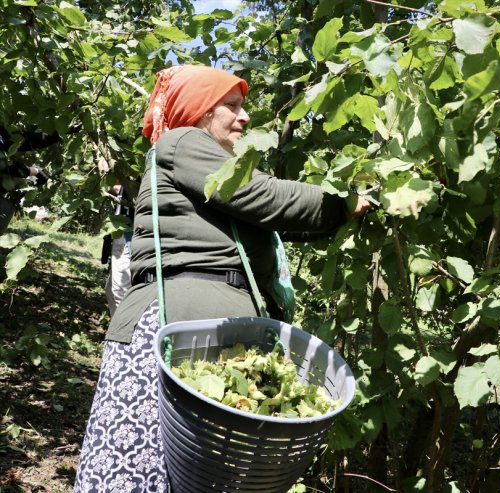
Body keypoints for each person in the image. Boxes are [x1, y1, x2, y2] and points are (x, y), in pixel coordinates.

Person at [74, 64, 370, 492]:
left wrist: (353, 213)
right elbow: (264, 198)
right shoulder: (183, 142)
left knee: (191, 470)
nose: (244, 117)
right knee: (143, 466)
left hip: (204, 325)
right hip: (176, 324)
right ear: (199, 112)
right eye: (231, 106)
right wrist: (344, 202)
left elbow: (280, 222)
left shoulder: (212, 176)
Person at [101, 182, 134, 316]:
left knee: (121, 291)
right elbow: (116, 188)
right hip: (122, 234)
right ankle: (117, 331)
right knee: (111, 290)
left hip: (128, 236)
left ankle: (126, 334)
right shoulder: (126, 186)